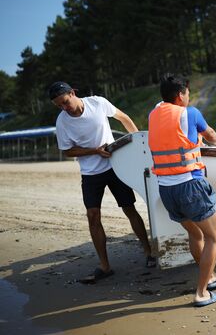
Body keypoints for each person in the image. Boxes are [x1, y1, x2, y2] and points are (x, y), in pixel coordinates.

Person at [50, 81, 155, 283]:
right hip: (90, 173)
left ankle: (149, 252)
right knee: (92, 215)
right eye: (59, 106)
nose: (64, 108)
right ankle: (105, 266)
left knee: (129, 208)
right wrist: (95, 151)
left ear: (72, 93)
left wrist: (141, 143)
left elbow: (123, 117)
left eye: (65, 102)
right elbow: (67, 151)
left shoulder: (97, 103)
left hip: (115, 166)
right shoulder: (62, 121)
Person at [148, 74, 216, 307]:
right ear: (180, 95)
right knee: (215, 236)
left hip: (166, 189)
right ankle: (202, 292)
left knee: (195, 233)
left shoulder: (153, 115)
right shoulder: (189, 113)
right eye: (187, 92)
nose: (189, 96)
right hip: (190, 186)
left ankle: (212, 277)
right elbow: (211, 135)